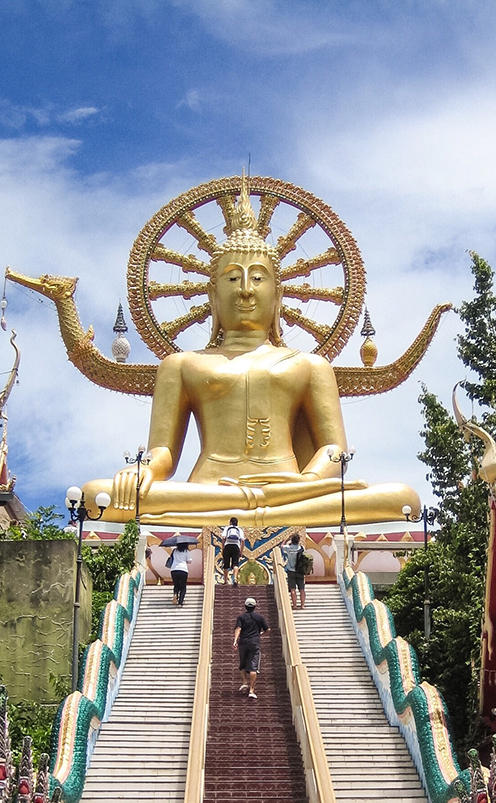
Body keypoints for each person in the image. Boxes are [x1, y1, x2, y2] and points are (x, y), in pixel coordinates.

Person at [75, 177, 420, 527]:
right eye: (230, 279)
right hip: (209, 491)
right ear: (212, 295)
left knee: (403, 499)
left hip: (293, 490)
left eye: (257, 278)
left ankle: (259, 506)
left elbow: (333, 450)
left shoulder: (310, 366)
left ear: (278, 294)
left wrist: (310, 481)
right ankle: (259, 507)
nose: (244, 291)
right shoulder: (181, 365)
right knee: (95, 496)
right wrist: (141, 471)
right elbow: (163, 454)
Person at [233, 596, 269, 699]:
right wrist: (260, 634)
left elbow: (238, 628)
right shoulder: (259, 617)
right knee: (253, 666)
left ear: (245, 606)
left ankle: (244, 682)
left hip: (243, 642)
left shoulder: (241, 617)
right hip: (254, 642)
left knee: (243, 663)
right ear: (255, 606)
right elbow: (268, 629)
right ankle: (252, 690)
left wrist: (235, 640)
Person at [281, 532, 306, 610]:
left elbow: (281, 546)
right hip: (300, 571)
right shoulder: (301, 548)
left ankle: (294, 605)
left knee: (292, 589)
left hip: (291, 570)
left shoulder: (288, 548)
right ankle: (302, 605)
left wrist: (286, 539)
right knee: (302, 589)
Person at [222, 516, 244, 585]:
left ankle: (225, 581)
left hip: (227, 546)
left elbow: (223, 538)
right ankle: (235, 578)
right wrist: (241, 551)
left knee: (226, 564)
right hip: (236, 546)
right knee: (235, 564)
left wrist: (223, 548)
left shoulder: (227, 528)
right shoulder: (239, 529)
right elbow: (242, 540)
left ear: (230, 522)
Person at [169, 542, 192, 606]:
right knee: (183, 587)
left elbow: (172, 558)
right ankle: (180, 602)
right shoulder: (186, 551)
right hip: (183, 569)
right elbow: (189, 561)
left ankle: (175, 594)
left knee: (176, 585)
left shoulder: (174, 551)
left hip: (174, 569)